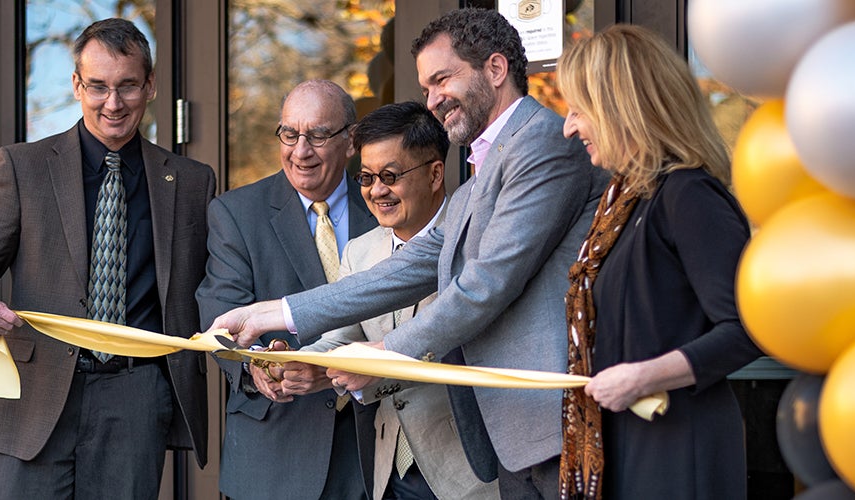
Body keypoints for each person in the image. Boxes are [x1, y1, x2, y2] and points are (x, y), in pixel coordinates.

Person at [208, 9, 608, 499]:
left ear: (496, 70)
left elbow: (484, 286)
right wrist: (273, 313)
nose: (433, 99)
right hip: (513, 436)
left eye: (442, 79)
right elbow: (410, 266)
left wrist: (383, 357)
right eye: (425, 87)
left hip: (550, 423)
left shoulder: (541, 142)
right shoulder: (487, 168)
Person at [0, 18, 214, 499]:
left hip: (134, 398)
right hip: (32, 394)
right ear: (76, 85)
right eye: (98, 87)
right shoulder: (22, 167)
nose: (113, 103)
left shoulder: (192, 181)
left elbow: (213, 288)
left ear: (150, 86)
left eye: (128, 86)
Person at [555, 24, 763, 499]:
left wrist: (643, 376)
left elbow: (749, 328)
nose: (568, 127)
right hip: (629, 442)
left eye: (578, 110)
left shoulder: (689, 194)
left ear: (622, 108)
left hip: (678, 451)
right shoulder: (620, 201)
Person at [276, 101, 500, 500]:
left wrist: (380, 364)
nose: (377, 191)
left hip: (468, 469)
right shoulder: (359, 252)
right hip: (387, 470)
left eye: (390, 176)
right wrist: (299, 362)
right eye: (365, 177)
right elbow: (341, 338)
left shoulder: (476, 238)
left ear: (435, 174)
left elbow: (458, 338)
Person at [195, 79, 377, 500]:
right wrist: (257, 366)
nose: (300, 151)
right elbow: (220, 311)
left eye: (317, 135)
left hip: (372, 449)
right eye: (289, 134)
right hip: (277, 453)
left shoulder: (382, 203)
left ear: (350, 141)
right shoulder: (237, 213)